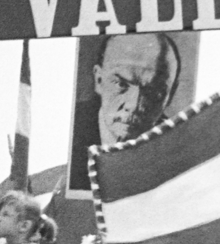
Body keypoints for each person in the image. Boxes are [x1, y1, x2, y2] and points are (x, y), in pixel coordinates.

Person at [68, 33, 182, 189]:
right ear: (99, 80)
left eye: (154, 91)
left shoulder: (180, 153)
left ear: (170, 95)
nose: (134, 105)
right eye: (121, 84)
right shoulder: (66, 132)